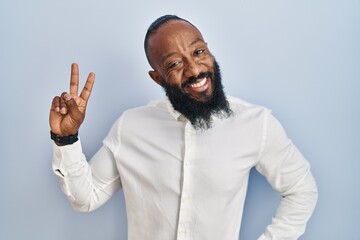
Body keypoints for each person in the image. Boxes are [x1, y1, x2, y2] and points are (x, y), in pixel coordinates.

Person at [49, 15, 318, 240]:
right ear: (157, 78)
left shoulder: (255, 123)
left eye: (198, 52)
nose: (194, 70)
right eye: (174, 64)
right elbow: (86, 198)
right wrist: (66, 138)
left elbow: (301, 189)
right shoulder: (130, 126)